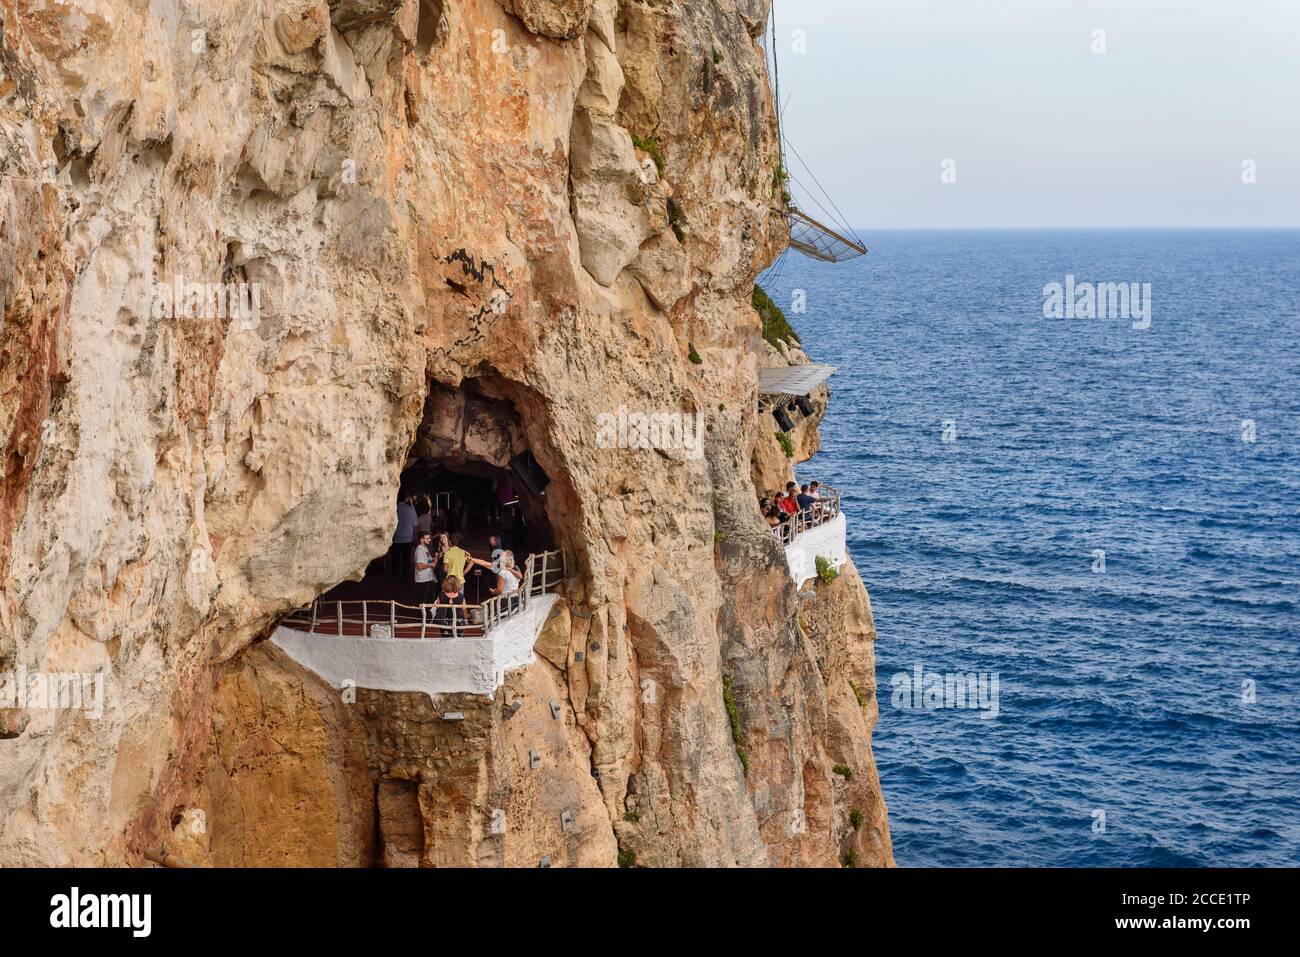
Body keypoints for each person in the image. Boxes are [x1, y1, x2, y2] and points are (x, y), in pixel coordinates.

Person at [389, 494, 418, 582]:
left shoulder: (394, 508)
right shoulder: (411, 508)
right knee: (406, 561)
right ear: (406, 498)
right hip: (408, 538)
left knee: (395, 561)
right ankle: (405, 579)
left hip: (396, 539)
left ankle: (395, 578)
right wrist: (415, 536)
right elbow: (415, 525)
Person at [413, 531, 437, 612]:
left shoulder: (425, 548)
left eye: (429, 538)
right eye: (427, 538)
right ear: (421, 539)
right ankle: (422, 617)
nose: (429, 540)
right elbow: (419, 566)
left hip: (428, 578)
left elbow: (426, 561)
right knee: (424, 601)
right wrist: (431, 564)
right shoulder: (419, 550)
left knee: (430, 600)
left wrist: (432, 560)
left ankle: (428, 616)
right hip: (423, 580)